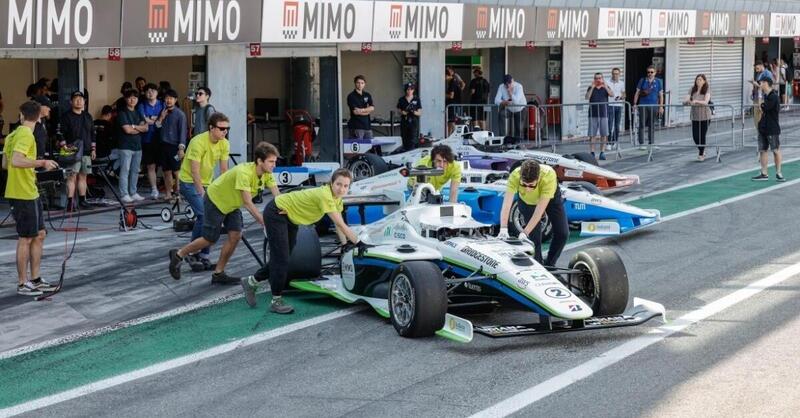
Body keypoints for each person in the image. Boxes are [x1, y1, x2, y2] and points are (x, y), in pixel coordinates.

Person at [241, 168, 361, 314]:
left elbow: (338, 226)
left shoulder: (338, 199)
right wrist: (359, 243)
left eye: (345, 186)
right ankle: (276, 301)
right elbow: (341, 224)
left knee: (284, 257)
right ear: (331, 183)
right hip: (276, 212)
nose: (341, 189)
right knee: (282, 259)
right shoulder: (325, 195)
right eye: (338, 184)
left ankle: (251, 281)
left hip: (290, 217)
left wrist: (345, 245)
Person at [168, 142, 281, 284]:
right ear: (259, 161)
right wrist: (264, 222)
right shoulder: (244, 172)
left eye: (275, 161)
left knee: (235, 235)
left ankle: (218, 274)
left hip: (232, 204)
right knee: (210, 239)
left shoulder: (267, 174)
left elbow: (278, 197)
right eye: (271, 161)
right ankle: (178, 254)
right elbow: (247, 202)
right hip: (216, 200)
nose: (274, 165)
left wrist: (285, 211)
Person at [2, 101, 59, 296]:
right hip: (22, 193)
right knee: (25, 238)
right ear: (40, 115)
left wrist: (31, 168)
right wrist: (41, 162)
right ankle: (22, 283)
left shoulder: (12, 135)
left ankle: (35, 279)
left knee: (39, 234)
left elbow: (5, 163)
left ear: (21, 115)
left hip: (28, 190)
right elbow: (17, 160)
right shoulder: (26, 134)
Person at [178, 112, 233, 272]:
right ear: (211, 128)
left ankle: (203, 256)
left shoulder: (224, 143)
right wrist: (202, 192)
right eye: (222, 128)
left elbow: (224, 170)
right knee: (204, 214)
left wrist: (225, 192)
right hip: (189, 182)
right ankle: (191, 253)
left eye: (227, 129)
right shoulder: (198, 142)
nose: (225, 132)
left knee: (212, 217)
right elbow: (194, 172)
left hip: (208, 183)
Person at [497, 160, 568, 267]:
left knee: (563, 233)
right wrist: (503, 228)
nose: (527, 188)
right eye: (523, 184)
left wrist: (524, 232)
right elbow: (506, 204)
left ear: (538, 179)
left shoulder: (548, 176)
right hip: (527, 202)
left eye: (531, 186)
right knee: (535, 239)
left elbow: (539, 211)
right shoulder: (515, 175)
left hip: (550, 199)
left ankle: (550, 265)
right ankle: (538, 265)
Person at [60, 91, 95, 210]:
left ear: (84, 101)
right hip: (72, 151)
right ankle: (70, 203)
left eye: (81, 99)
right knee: (71, 176)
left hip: (86, 151)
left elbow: (92, 133)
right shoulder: (66, 116)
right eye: (76, 99)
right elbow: (60, 133)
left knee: (83, 176)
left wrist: (93, 149)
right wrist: (64, 145)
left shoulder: (88, 116)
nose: (79, 101)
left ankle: (82, 200)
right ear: (71, 102)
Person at [117, 89, 148, 202]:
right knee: (125, 170)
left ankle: (133, 192)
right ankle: (124, 194)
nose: (132, 100)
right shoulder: (122, 112)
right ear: (125, 99)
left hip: (137, 146)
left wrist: (134, 127)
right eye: (130, 97)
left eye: (135, 98)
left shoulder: (138, 112)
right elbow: (127, 130)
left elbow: (146, 127)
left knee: (135, 170)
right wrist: (137, 128)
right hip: (125, 146)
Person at [156, 89, 188, 200]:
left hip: (175, 146)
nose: (168, 100)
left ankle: (177, 193)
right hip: (163, 145)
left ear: (175, 100)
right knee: (166, 171)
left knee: (177, 171)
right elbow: (157, 127)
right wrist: (161, 117)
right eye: (167, 98)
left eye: (171, 98)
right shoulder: (162, 111)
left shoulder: (180, 114)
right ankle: (168, 194)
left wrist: (181, 148)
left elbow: (183, 132)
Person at [753, 78, 784, 182]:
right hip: (763, 127)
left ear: (766, 83)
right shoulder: (766, 95)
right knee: (763, 150)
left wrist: (761, 101)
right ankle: (764, 173)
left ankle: (779, 173)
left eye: (761, 83)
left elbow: (763, 108)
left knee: (775, 150)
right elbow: (759, 107)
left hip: (772, 128)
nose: (759, 84)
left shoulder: (773, 96)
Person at [136, 83, 164, 199]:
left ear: (157, 93)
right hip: (147, 139)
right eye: (148, 91)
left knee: (164, 166)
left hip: (162, 139)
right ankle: (154, 189)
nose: (150, 93)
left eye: (153, 90)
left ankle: (169, 188)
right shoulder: (141, 106)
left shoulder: (162, 104)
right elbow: (145, 120)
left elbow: (163, 120)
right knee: (150, 166)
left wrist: (151, 119)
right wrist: (156, 118)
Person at [633, 65, 664, 150]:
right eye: (648, 72)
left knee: (652, 125)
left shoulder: (658, 82)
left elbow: (661, 95)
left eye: (651, 72)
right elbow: (637, 93)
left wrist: (661, 106)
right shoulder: (642, 80)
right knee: (642, 124)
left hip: (653, 106)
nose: (650, 74)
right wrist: (635, 104)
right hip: (643, 105)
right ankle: (641, 143)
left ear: (655, 73)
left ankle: (651, 143)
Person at [684, 74, 712, 162]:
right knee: (695, 136)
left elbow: (706, 102)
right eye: (697, 79)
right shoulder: (692, 89)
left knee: (702, 135)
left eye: (700, 80)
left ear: (704, 81)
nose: (698, 81)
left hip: (705, 116)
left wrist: (696, 101)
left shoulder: (707, 89)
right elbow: (686, 99)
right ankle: (702, 150)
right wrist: (687, 101)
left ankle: (701, 153)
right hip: (695, 116)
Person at [585, 72, 612, 160]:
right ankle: (592, 152)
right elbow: (587, 97)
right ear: (594, 79)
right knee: (592, 134)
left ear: (602, 79)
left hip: (603, 114)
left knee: (603, 134)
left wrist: (606, 86)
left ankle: (602, 152)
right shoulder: (591, 87)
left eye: (600, 78)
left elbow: (612, 94)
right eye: (596, 78)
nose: (598, 80)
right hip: (593, 114)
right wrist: (592, 87)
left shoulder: (605, 88)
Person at [495, 74, 527, 138]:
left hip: (520, 109)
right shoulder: (501, 87)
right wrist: (503, 102)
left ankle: (518, 142)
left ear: (513, 80)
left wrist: (510, 93)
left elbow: (516, 101)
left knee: (518, 128)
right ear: (504, 83)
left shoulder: (519, 86)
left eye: (510, 83)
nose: (508, 85)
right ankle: (502, 138)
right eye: (506, 84)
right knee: (501, 114)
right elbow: (496, 100)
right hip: (509, 109)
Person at [346, 75, 374, 139]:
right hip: (356, 126)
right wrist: (367, 111)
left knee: (370, 147)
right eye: (358, 83)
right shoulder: (351, 96)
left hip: (367, 126)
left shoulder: (367, 95)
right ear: (355, 83)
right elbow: (355, 112)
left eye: (362, 83)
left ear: (364, 84)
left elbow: (372, 107)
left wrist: (362, 110)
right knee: (359, 147)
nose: (360, 85)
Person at [749, 61, 773, 134]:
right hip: (757, 97)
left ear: (761, 65)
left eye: (757, 68)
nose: (756, 70)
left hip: (763, 98)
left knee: (761, 116)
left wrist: (755, 83)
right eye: (755, 68)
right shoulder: (759, 74)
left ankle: (762, 133)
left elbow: (766, 87)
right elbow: (758, 85)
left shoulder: (767, 73)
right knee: (756, 117)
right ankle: (759, 133)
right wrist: (754, 88)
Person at [396, 83, 422, 151]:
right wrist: (403, 112)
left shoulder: (416, 99)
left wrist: (413, 112)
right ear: (405, 90)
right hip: (405, 121)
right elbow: (398, 110)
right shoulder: (401, 99)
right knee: (404, 139)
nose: (409, 91)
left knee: (413, 139)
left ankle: (412, 152)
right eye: (408, 89)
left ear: (413, 90)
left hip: (413, 121)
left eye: (411, 89)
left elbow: (419, 112)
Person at [607, 67, 625, 150]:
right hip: (610, 105)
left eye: (617, 74)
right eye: (614, 73)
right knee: (610, 125)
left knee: (617, 125)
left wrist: (621, 97)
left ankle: (615, 141)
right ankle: (609, 143)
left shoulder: (622, 83)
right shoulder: (607, 82)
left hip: (619, 105)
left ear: (619, 74)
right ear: (612, 74)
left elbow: (624, 94)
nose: (615, 75)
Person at [445, 67, 462, 135]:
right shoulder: (453, 81)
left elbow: (451, 95)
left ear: (447, 75)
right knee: (450, 121)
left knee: (452, 121)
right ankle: (449, 136)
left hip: (453, 104)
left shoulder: (452, 82)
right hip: (454, 104)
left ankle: (457, 135)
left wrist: (442, 94)